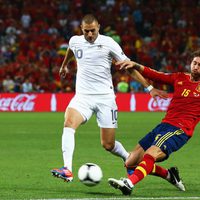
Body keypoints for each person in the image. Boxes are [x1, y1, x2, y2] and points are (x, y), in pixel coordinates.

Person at [51, 14, 167, 182]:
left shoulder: (109, 43)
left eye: (92, 31)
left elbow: (128, 66)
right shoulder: (75, 41)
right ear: (81, 30)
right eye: (86, 31)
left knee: (108, 145)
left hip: (105, 99)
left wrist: (149, 87)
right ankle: (67, 169)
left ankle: (129, 159)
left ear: (98, 26)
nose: (90, 34)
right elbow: (71, 50)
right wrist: (64, 66)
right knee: (68, 123)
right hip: (82, 96)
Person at [108, 50, 200, 195]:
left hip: (180, 130)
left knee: (150, 154)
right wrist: (135, 65)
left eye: (199, 65)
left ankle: (129, 183)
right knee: (131, 162)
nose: (196, 67)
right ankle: (170, 175)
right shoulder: (180, 77)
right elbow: (157, 75)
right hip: (164, 125)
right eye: (194, 63)